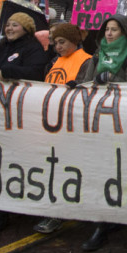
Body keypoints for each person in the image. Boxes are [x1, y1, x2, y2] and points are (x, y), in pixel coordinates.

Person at [0, 13, 48, 234]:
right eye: (8, 25)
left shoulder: (32, 49)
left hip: (17, 114)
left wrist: (9, 71)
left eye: (15, 24)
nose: (10, 28)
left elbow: (36, 73)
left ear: (26, 28)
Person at [78, 15, 127, 251]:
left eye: (114, 30)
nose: (109, 34)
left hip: (120, 120)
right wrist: (94, 80)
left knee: (116, 169)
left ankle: (106, 222)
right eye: (106, 29)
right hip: (97, 118)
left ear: (124, 32)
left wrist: (112, 79)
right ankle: (103, 218)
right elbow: (86, 84)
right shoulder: (98, 54)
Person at [32, 22, 92, 235]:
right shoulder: (53, 62)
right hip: (50, 122)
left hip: (70, 124)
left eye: (62, 42)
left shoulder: (86, 61)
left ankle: (59, 212)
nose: (57, 46)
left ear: (74, 41)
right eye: (55, 42)